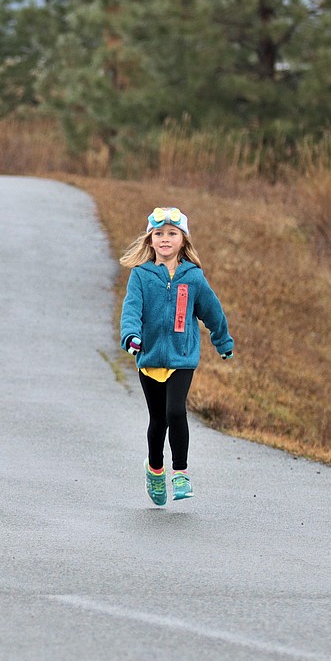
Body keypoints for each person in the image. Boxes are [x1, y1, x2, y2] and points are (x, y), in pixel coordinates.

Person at [119, 207, 233, 507]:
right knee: (157, 421)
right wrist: (130, 336)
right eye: (159, 234)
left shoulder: (193, 278)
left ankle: (180, 472)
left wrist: (222, 341)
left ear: (183, 240)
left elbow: (213, 312)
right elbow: (131, 310)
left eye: (172, 234)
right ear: (150, 240)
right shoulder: (141, 276)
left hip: (182, 358)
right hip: (150, 358)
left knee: (175, 412)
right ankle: (155, 469)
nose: (165, 239)